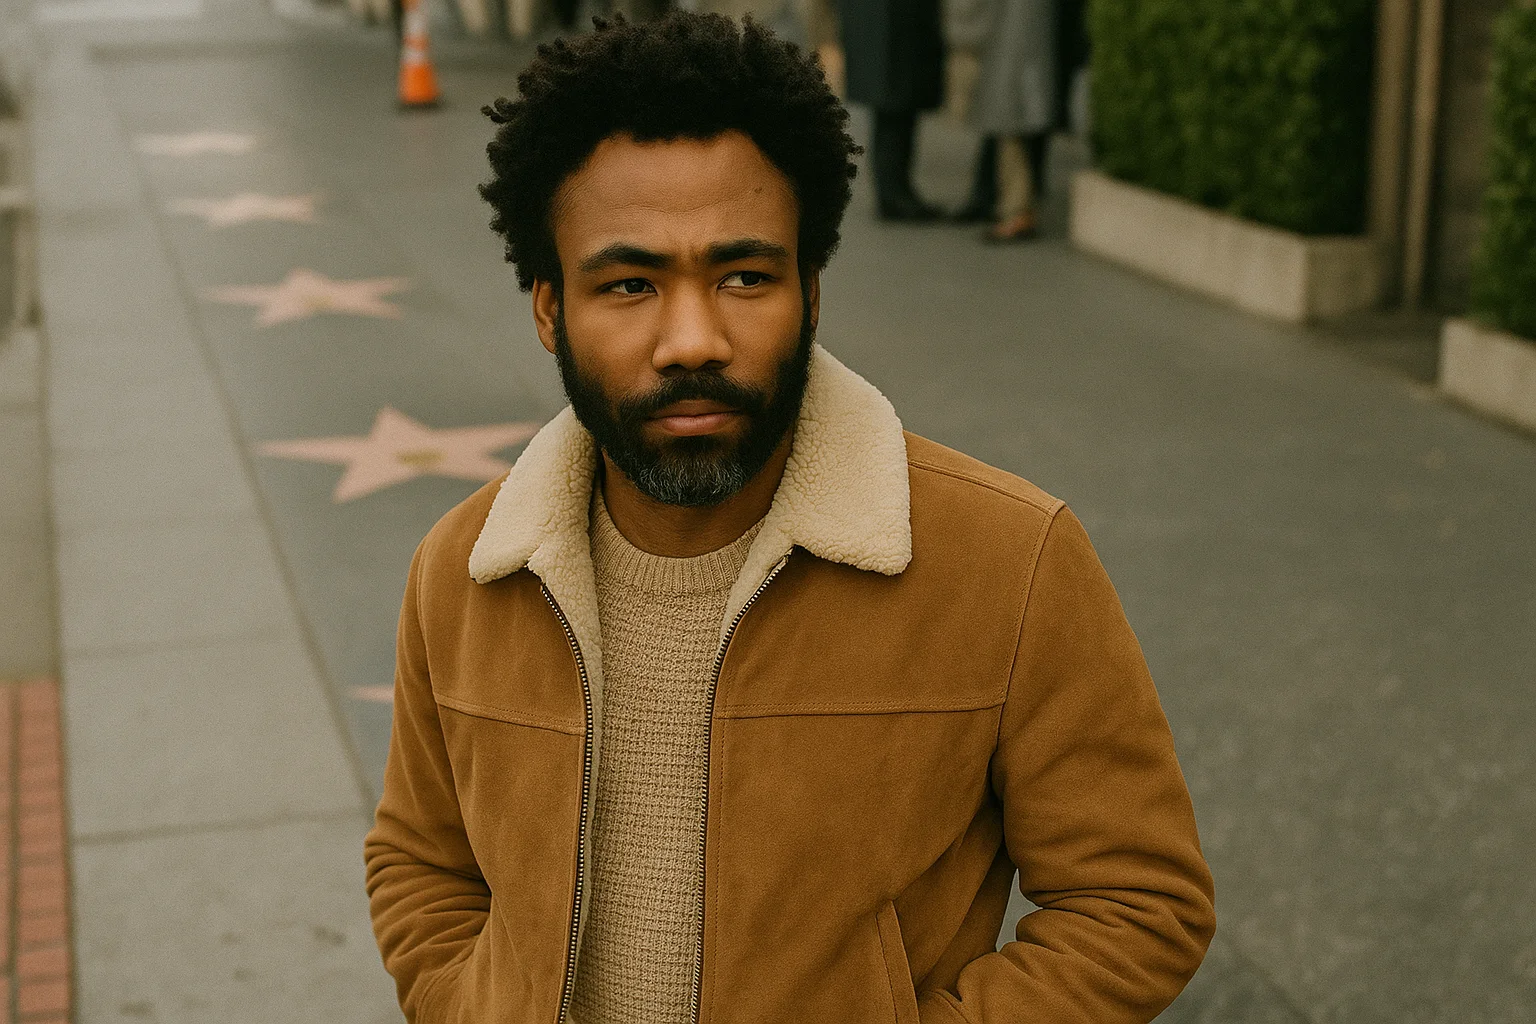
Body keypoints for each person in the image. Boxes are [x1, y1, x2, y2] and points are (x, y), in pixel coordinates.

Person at [364, 12, 1215, 1024]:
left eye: (744, 277)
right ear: (550, 308)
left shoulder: (1009, 561)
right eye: (629, 284)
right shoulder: (463, 569)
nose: (693, 339)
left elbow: (1136, 899)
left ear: (811, 292)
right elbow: (421, 863)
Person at [954, 0, 1086, 240]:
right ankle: (1010, 207)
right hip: (1030, 48)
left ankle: (1017, 213)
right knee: (1018, 125)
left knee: (1013, 127)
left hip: (1019, 49)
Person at [837, 0, 945, 219]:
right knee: (894, 112)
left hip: (889, 35)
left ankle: (893, 192)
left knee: (893, 111)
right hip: (895, 34)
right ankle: (894, 194)